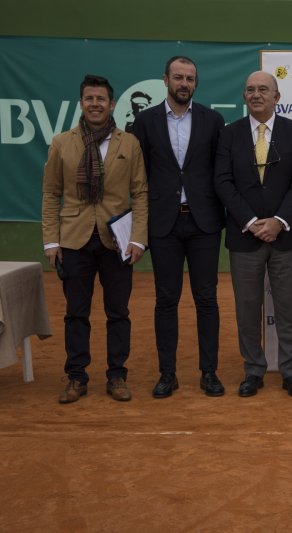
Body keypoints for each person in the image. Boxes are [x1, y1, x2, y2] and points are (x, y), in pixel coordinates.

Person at [42, 74, 148, 404]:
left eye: (101, 99)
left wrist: (139, 239)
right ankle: (77, 377)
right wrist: (51, 240)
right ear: (81, 103)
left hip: (117, 241)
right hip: (74, 240)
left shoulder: (128, 143)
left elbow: (140, 193)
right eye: (89, 99)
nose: (95, 104)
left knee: (118, 312)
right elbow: (51, 193)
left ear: (112, 104)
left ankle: (117, 375)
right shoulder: (62, 142)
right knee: (76, 313)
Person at [133, 56, 226, 399]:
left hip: (204, 223)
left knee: (206, 299)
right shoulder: (144, 122)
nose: (184, 83)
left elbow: (221, 172)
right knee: (166, 300)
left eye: (189, 78)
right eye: (178, 77)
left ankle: (209, 373)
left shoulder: (213, 120)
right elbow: (137, 176)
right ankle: (167, 373)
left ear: (196, 84)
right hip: (163, 223)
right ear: (166, 80)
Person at [215, 71, 292, 398]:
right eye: (250, 90)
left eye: (263, 90)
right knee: (247, 308)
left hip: (284, 236)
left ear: (277, 96)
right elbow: (222, 182)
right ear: (244, 97)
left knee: (288, 309)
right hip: (245, 236)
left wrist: (280, 220)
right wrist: (253, 220)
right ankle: (253, 370)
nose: (256, 95)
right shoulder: (228, 135)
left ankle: (289, 371)